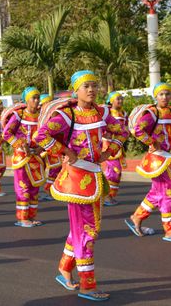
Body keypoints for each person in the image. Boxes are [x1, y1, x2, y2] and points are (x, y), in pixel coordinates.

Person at [35, 70, 128, 302]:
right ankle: (87, 285)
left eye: (94, 85)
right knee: (86, 232)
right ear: (75, 90)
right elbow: (42, 135)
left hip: (95, 175)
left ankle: (65, 267)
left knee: (86, 230)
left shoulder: (102, 112)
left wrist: (109, 152)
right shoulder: (67, 115)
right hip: (76, 178)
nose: (91, 90)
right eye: (85, 86)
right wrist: (64, 151)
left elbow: (122, 131)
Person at [125, 82, 171, 242]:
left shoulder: (170, 112)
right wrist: (152, 142)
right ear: (155, 96)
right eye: (161, 94)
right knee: (167, 193)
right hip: (158, 158)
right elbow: (138, 129)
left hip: (168, 158)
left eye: (167, 94)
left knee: (156, 193)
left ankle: (137, 217)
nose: (165, 97)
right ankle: (169, 230)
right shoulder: (152, 113)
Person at [2, 87, 46, 227]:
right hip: (22, 157)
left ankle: (32, 216)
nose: (37, 100)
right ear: (26, 100)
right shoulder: (19, 115)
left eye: (38, 97)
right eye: (33, 98)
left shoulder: (41, 116)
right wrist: (21, 145)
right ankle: (22, 218)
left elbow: (48, 134)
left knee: (35, 188)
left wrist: (42, 147)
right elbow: (7, 133)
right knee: (23, 188)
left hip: (37, 157)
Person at [103, 92, 128, 206]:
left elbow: (126, 127)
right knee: (114, 171)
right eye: (118, 99)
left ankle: (109, 195)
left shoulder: (123, 113)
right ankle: (107, 196)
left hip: (119, 146)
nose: (120, 101)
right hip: (109, 146)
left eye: (121, 99)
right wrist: (106, 134)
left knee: (117, 172)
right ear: (111, 101)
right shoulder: (107, 113)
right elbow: (101, 127)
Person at [39, 94, 58, 202]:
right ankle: (47, 190)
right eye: (47, 103)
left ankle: (51, 189)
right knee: (54, 169)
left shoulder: (55, 114)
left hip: (54, 146)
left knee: (56, 168)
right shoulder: (42, 117)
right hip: (46, 147)